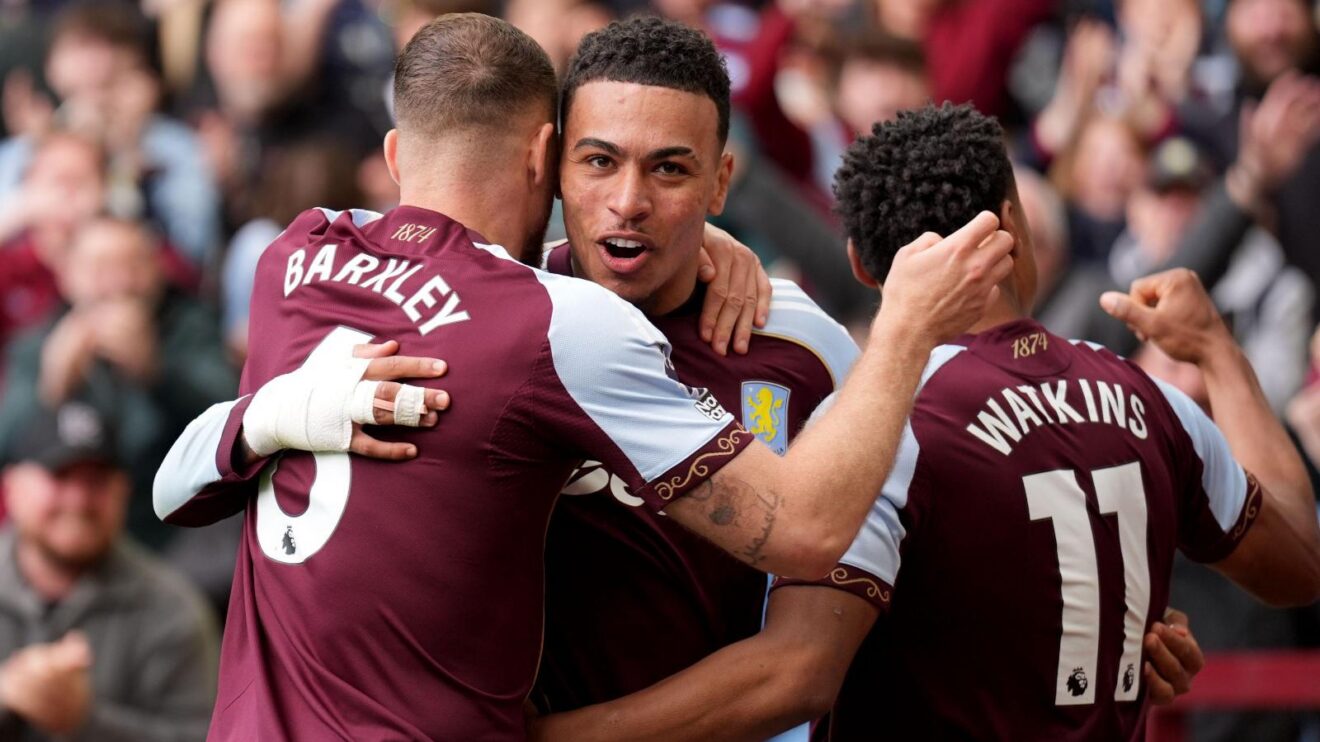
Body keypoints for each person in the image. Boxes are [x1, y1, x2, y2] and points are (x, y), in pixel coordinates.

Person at [152, 15, 1012, 740]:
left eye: (669, 169)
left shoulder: (808, 351)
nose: (628, 201)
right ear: (549, 163)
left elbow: (799, 669)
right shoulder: (546, 317)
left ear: (722, 181)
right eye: (599, 162)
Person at [529, 104, 1320, 742]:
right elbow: (1300, 564)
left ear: (864, 267)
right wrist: (1218, 351)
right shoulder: (1148, 399)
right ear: (1011, 220)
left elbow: (795, 675)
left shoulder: (882, 426)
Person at [0, 401, 217, 741]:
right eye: (59, 476)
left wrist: (83, 721)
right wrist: (9, 695)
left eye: (96, 481)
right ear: (11, 485)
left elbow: (204, 736)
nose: (79, 500)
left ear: (123, 491)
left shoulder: (171, 609)